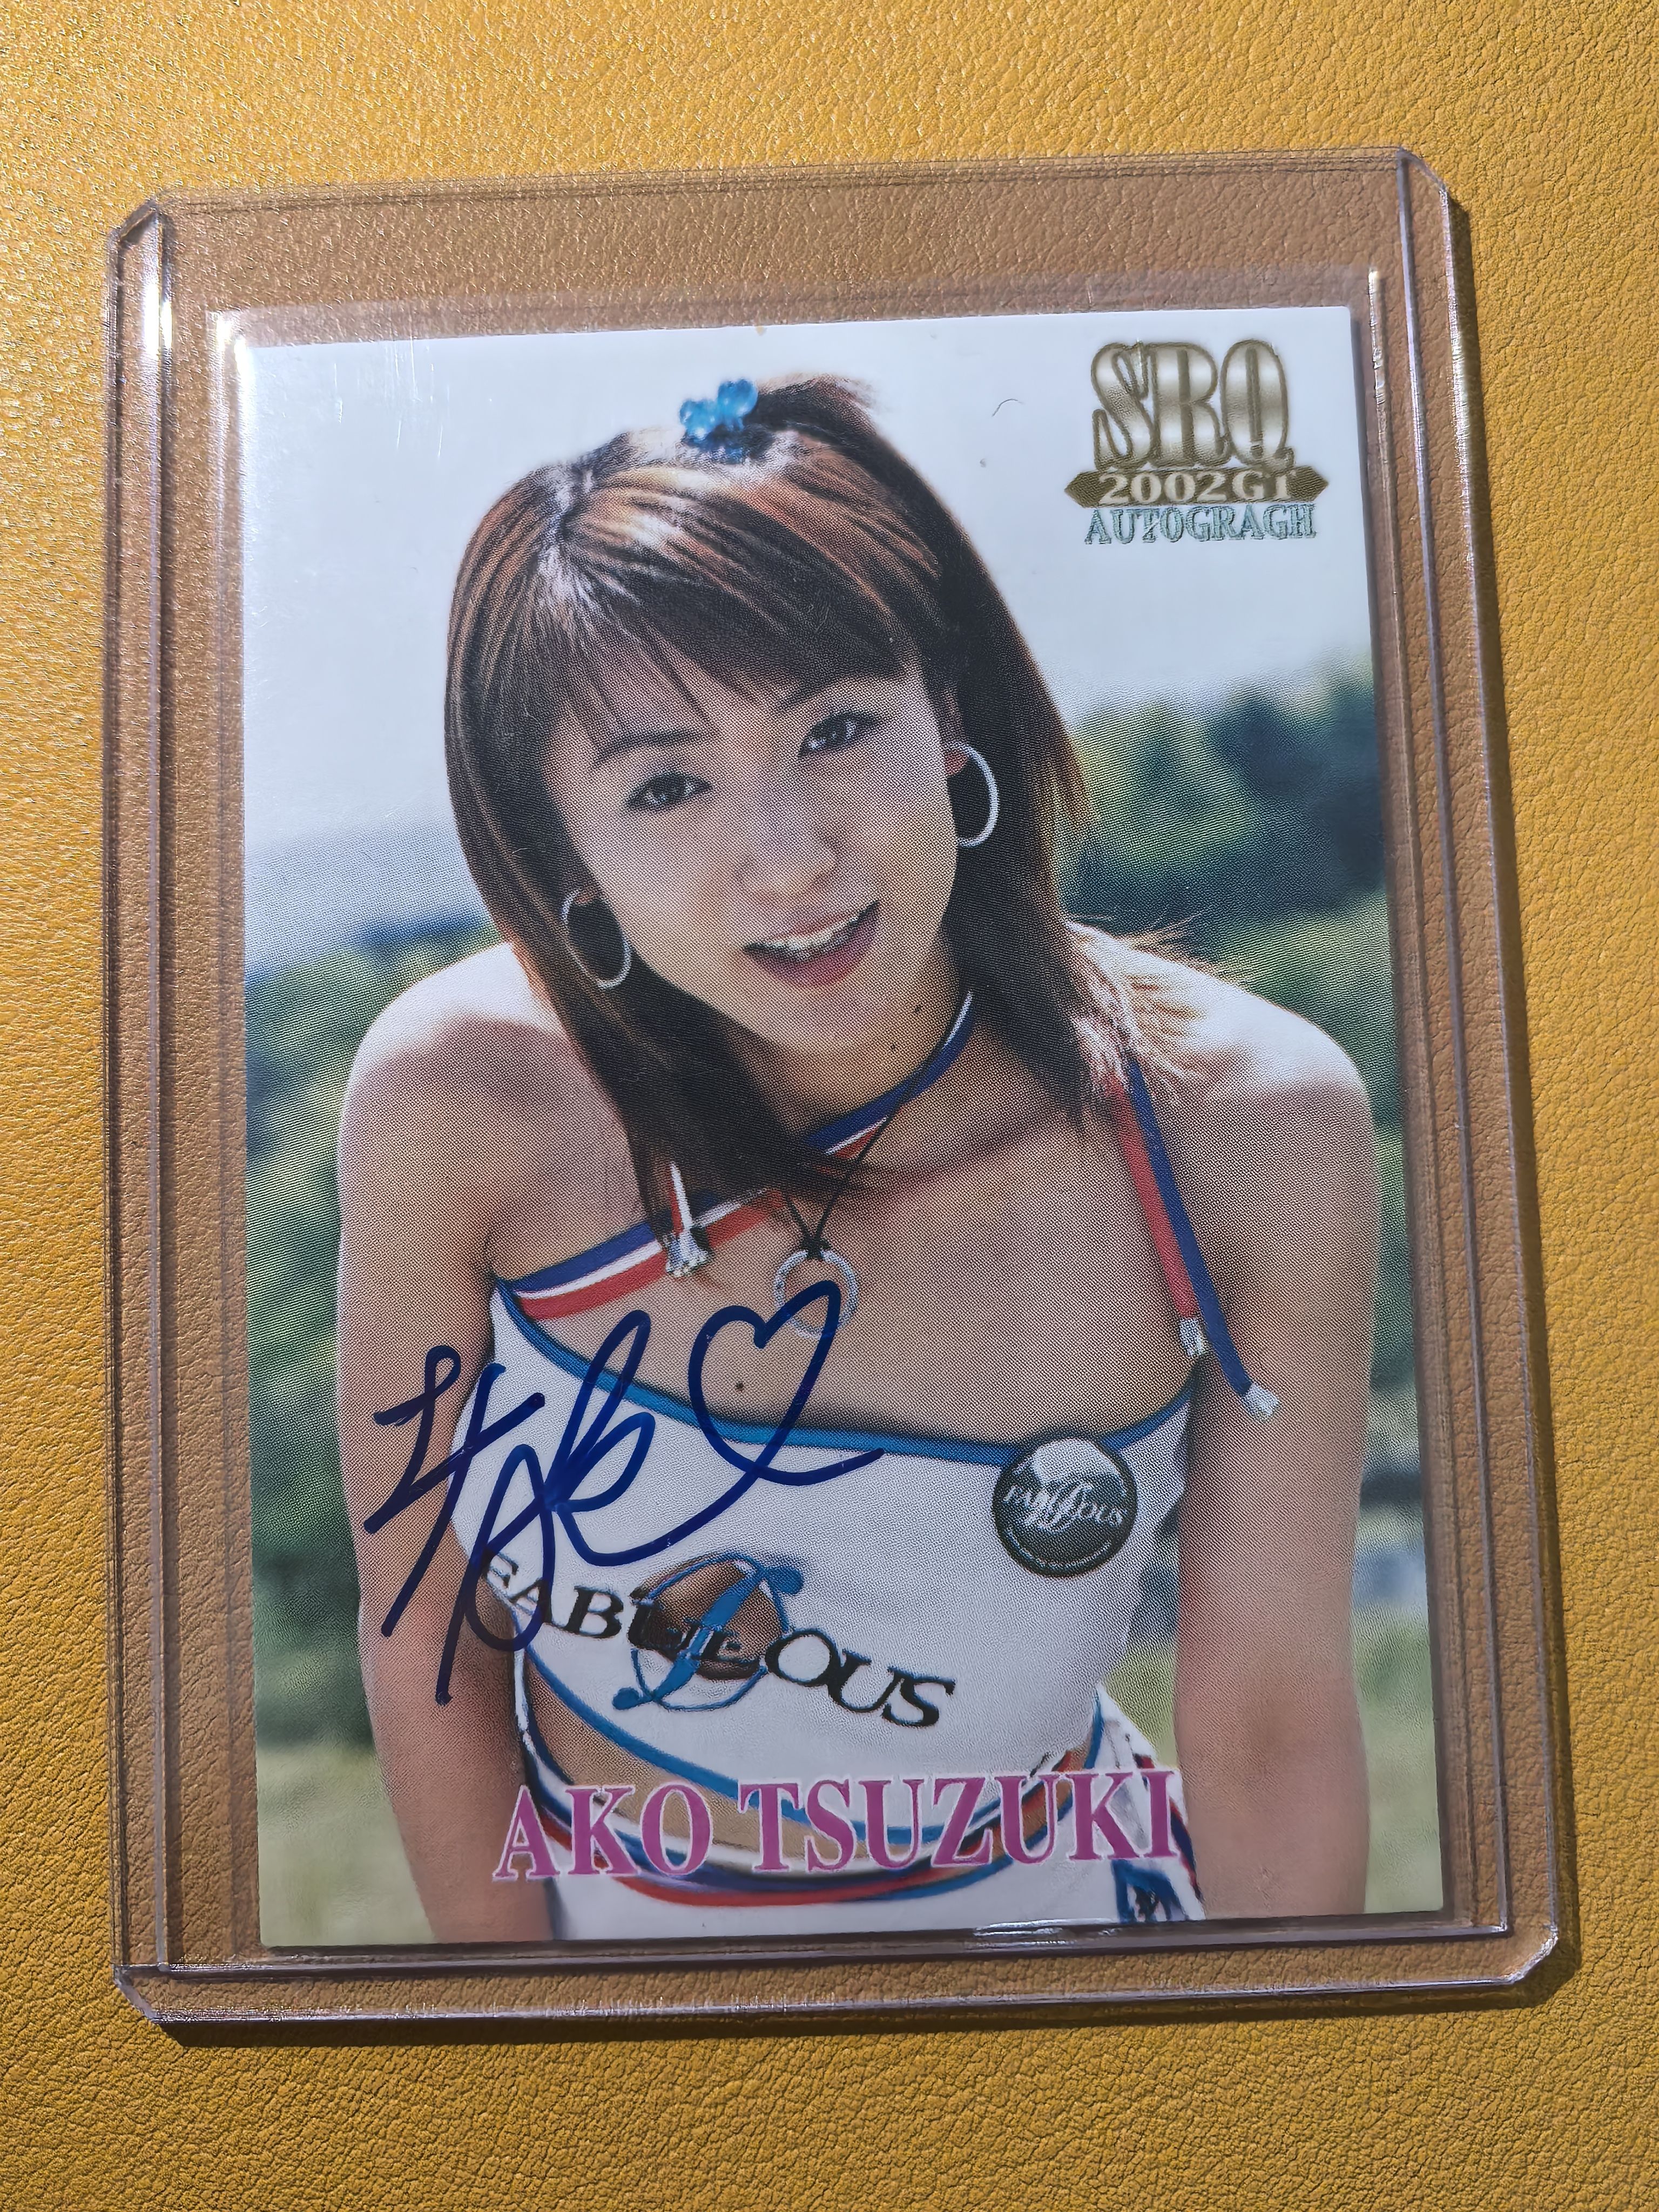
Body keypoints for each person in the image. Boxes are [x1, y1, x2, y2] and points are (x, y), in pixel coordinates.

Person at [336, 375, 1376, 1943]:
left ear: (946, 713)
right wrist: (531, 2055)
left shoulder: (1244, 1126)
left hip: (1067, 1930)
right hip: (612, 1947)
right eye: (666, 785)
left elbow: (1275, 1728)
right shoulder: (464, 1098)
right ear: (564, 857)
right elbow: (428, 1634)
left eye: (835, 730)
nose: (791, 858)